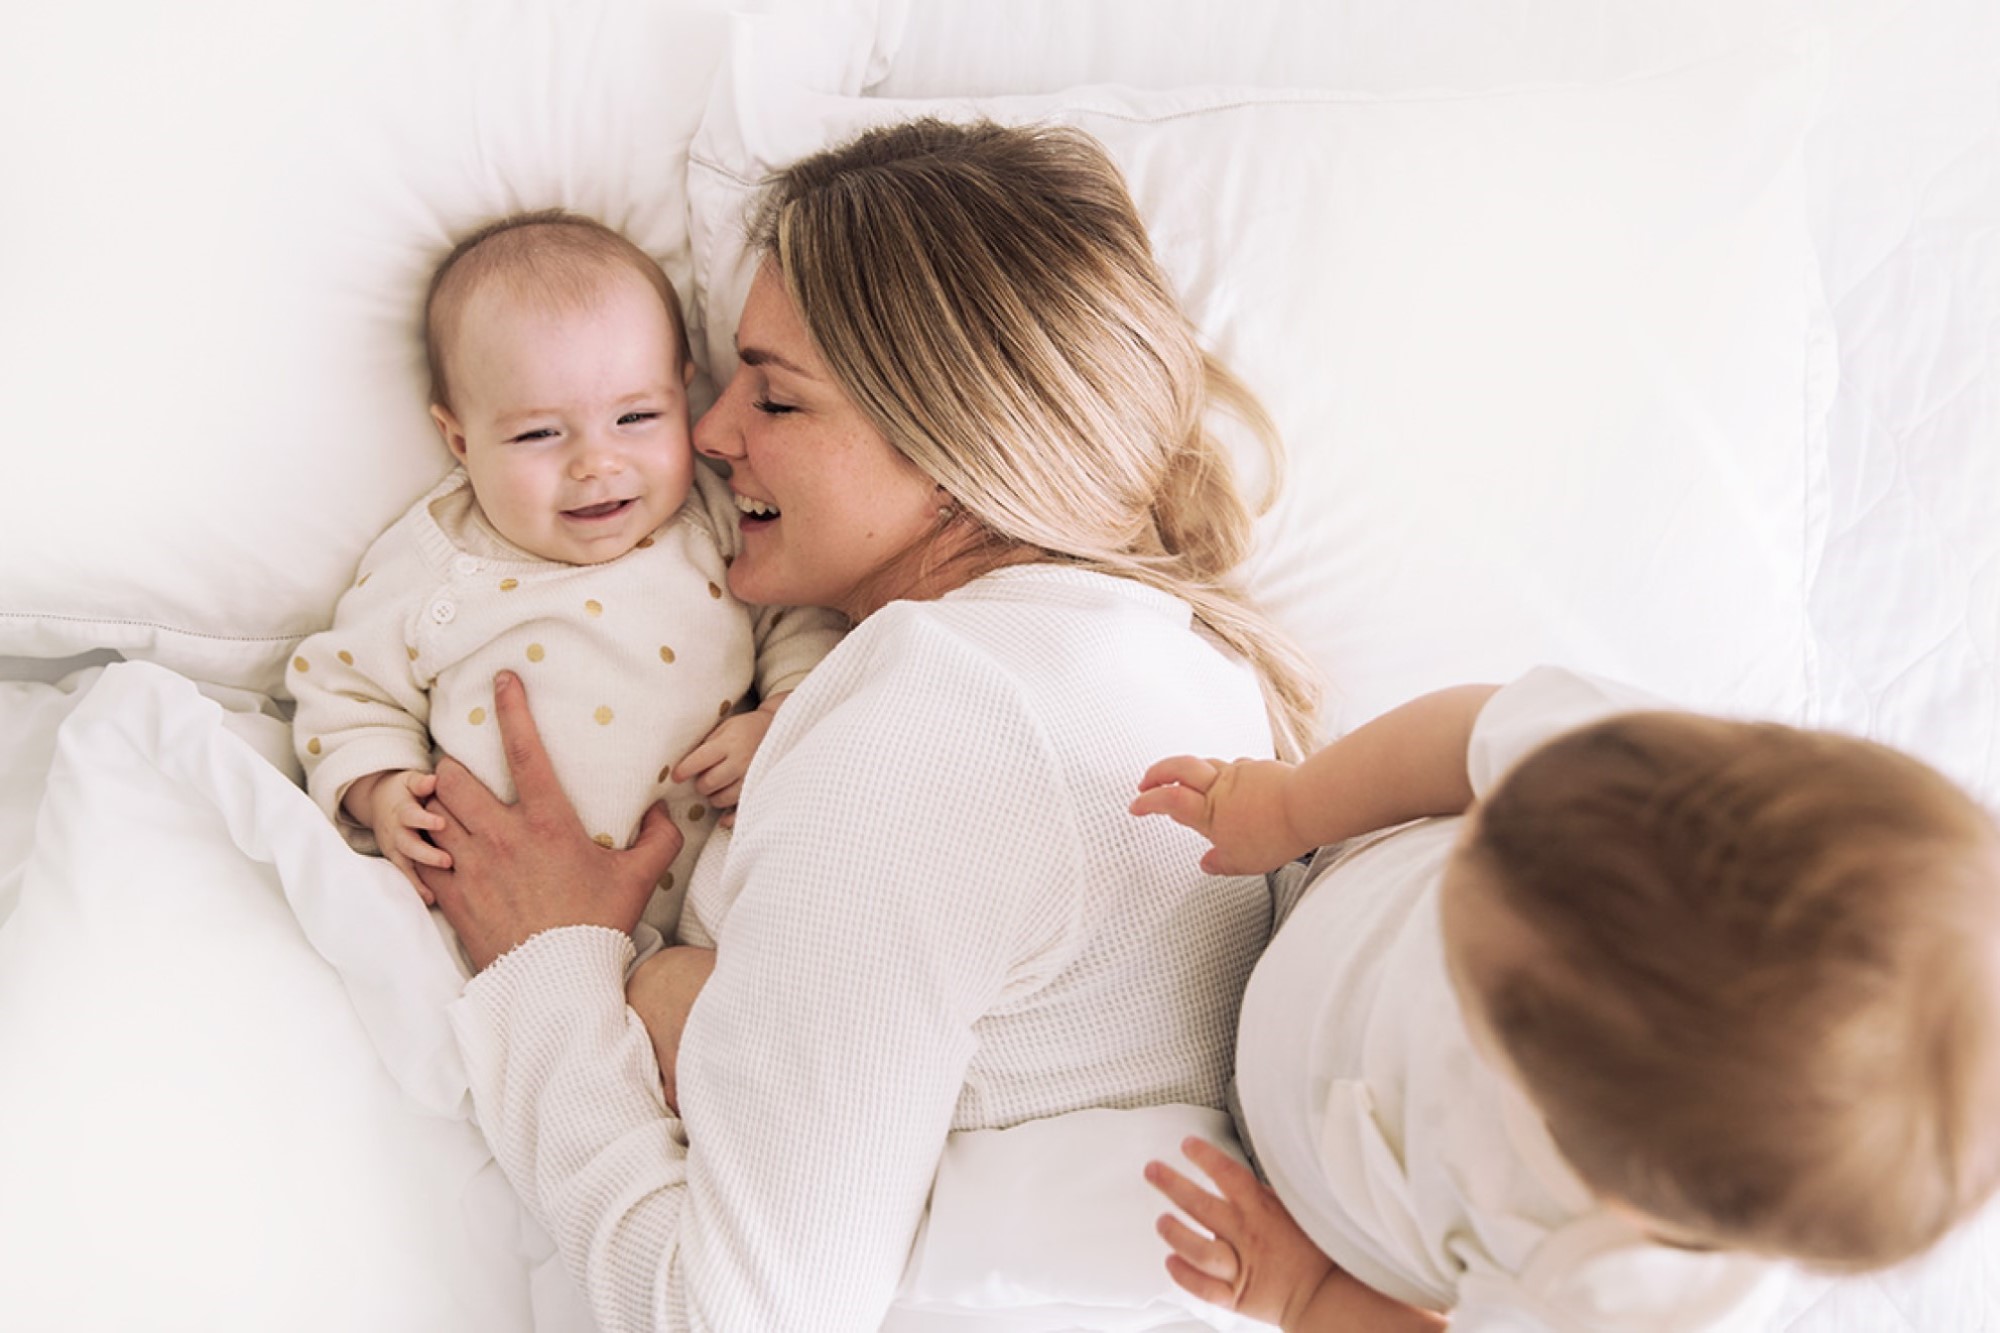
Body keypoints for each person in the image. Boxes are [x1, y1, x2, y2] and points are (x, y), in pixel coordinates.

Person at [409, 118, 1325, 1331]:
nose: (713, 430)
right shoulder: (1176, 658)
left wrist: (553, 963)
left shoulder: (937, 714)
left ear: (951, 441)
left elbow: (732, 1312)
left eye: (774, 396)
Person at [1134, 666, 2000, 1332]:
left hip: (1311, 1193)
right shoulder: (1638, 773)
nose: (1474, 852)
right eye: (1493, 838)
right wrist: (1292, 807)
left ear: (1622, 1196)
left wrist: (1303, 1291)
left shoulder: (1608, 1289)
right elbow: (1465, 739)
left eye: (1478, 985)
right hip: (1338, 877)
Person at [287, 211, 844, 936]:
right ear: (459, 437)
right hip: (502, 915)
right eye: (539, 434)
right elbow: (343, 688)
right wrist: (383, 790)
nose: (596, 463)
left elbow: (799, 618)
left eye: (637, 417)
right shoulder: (435, 558)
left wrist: (780, 716)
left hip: (718, 901)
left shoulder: (713, 520)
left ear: (685, 394)